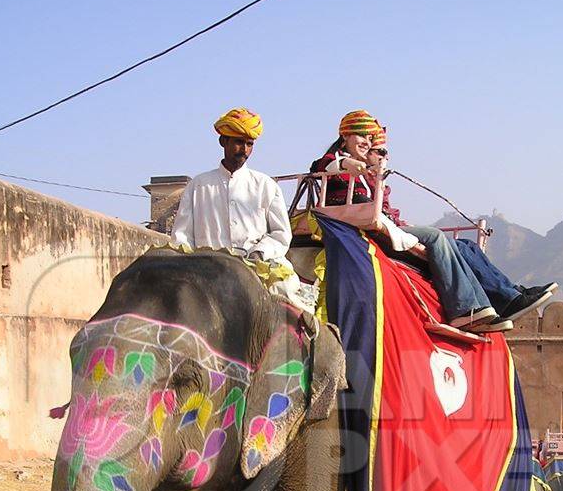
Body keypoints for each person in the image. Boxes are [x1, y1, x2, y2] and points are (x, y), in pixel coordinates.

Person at [310, 111, 507, 333]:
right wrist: (347, 163)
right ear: (345, 136)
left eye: (369, 138)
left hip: (380, 221)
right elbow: (322, 166)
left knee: (460, 246)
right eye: (360, 136)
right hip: (358, 222)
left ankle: (486, 304)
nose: (366, 142)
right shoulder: (336, 162)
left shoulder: (367, 173)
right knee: (435, 236)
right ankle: (464, 308)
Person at [364, 126, 556, 323]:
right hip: (383, 232)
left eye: (385, 153)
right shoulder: (355, 172)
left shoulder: (373, 177)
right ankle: (471, 306)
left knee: (468, 246)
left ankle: (511, 295)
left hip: (393, 226)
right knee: (436, 237)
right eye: (380, 152)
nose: (384, 157)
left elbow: (387, 212)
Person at [171, 107, 307, 310]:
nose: (244, 149)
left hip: (258, 270)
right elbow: (181, 237)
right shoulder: (198, 185)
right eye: (238, 142)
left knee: (290, 303)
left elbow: (280, 234)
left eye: (249, 144)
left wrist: (259, 253)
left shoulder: (265, 185)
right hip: (206, 272)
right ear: (223, 142)